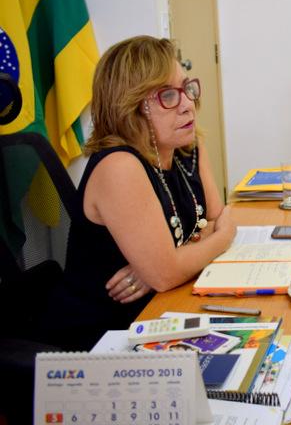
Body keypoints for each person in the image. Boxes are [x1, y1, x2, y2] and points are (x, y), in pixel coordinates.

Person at [47, 35, 235, 350]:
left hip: (160, 311)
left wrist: (165, 264)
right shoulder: (119, 166)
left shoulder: (189, 147)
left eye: (186, 88)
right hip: (103, 337)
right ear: (130, 106)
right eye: (168, 95)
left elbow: (213, 219)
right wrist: (224, 237)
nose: (188, 105)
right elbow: (175, 267)